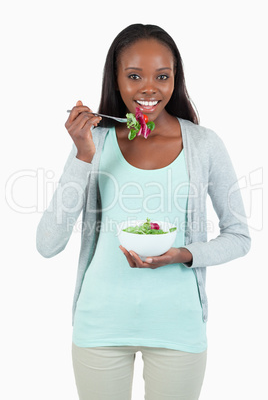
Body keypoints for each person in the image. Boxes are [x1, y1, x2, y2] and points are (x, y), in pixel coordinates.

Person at [36, 24, 251, 400]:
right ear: (116, 80)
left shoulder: (204, 144)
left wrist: (183, 254)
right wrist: (82, 155)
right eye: (134, 76)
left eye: (162, 76)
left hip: (177, 328)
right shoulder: (94, 142)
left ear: (175, 80)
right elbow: (47, 243)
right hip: (100, 327)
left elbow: (239, 237)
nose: (148, 88)